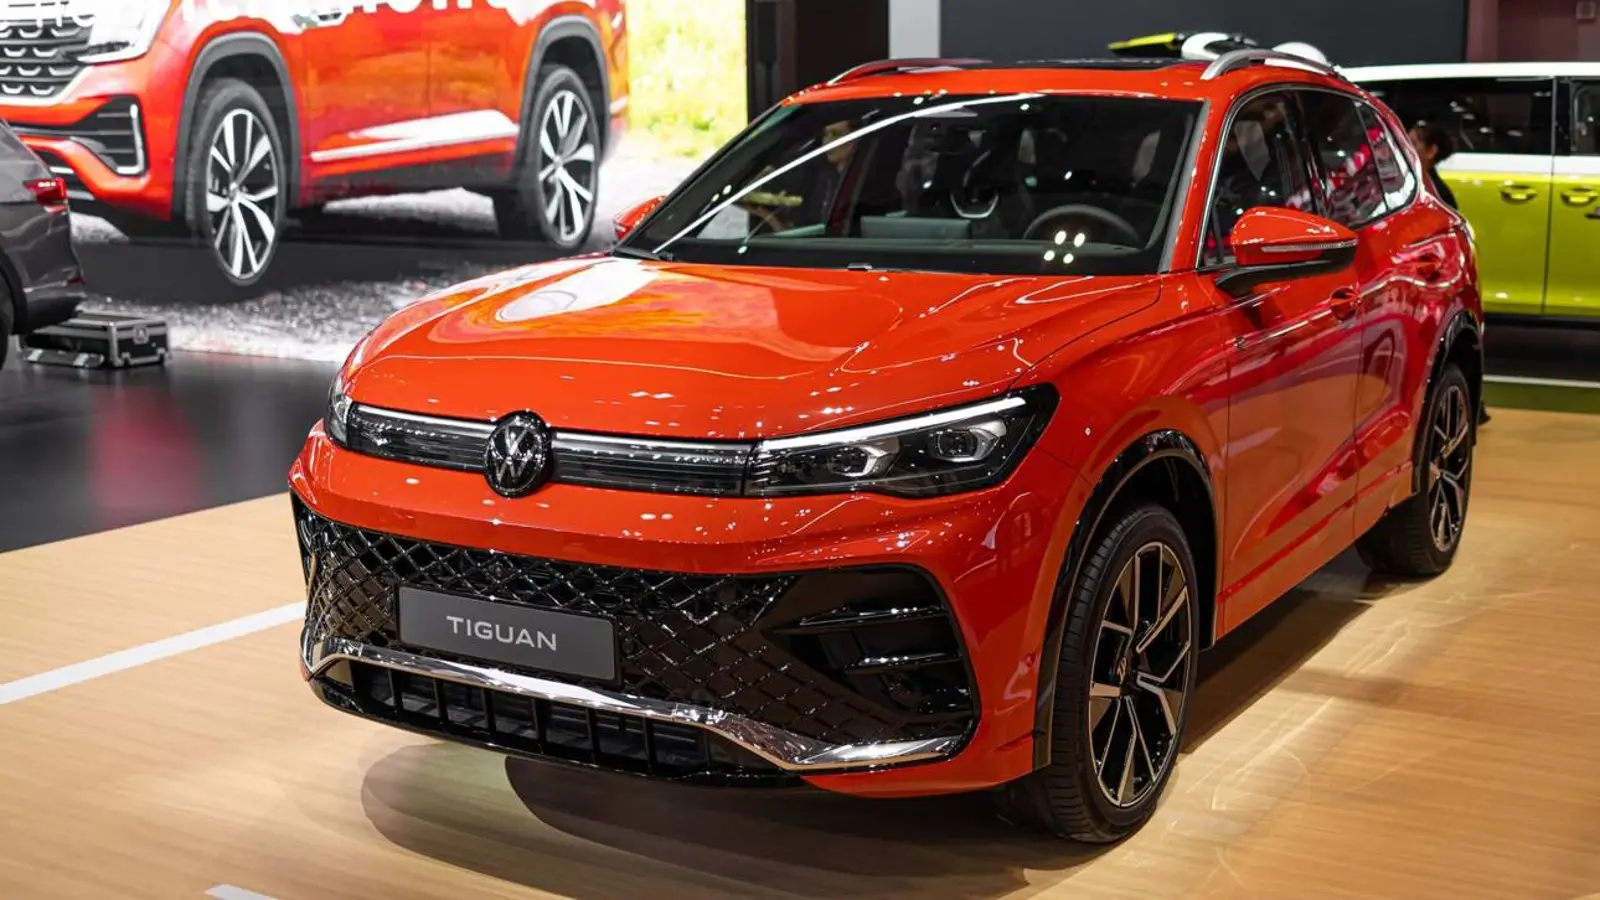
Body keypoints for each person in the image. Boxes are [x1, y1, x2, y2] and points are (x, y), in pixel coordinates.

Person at [1410, 122, 1489, 425]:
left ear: (1431, 152)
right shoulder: (1419, 185)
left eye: (1413, 141)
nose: (1405, 144)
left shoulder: (1435, 194)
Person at [1408, 123, 1458, 210]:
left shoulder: (1439, 196)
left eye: (1412, 143)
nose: (1405, 148)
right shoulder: (1406, 181)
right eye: (1404, 142)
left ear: (1431, 151)